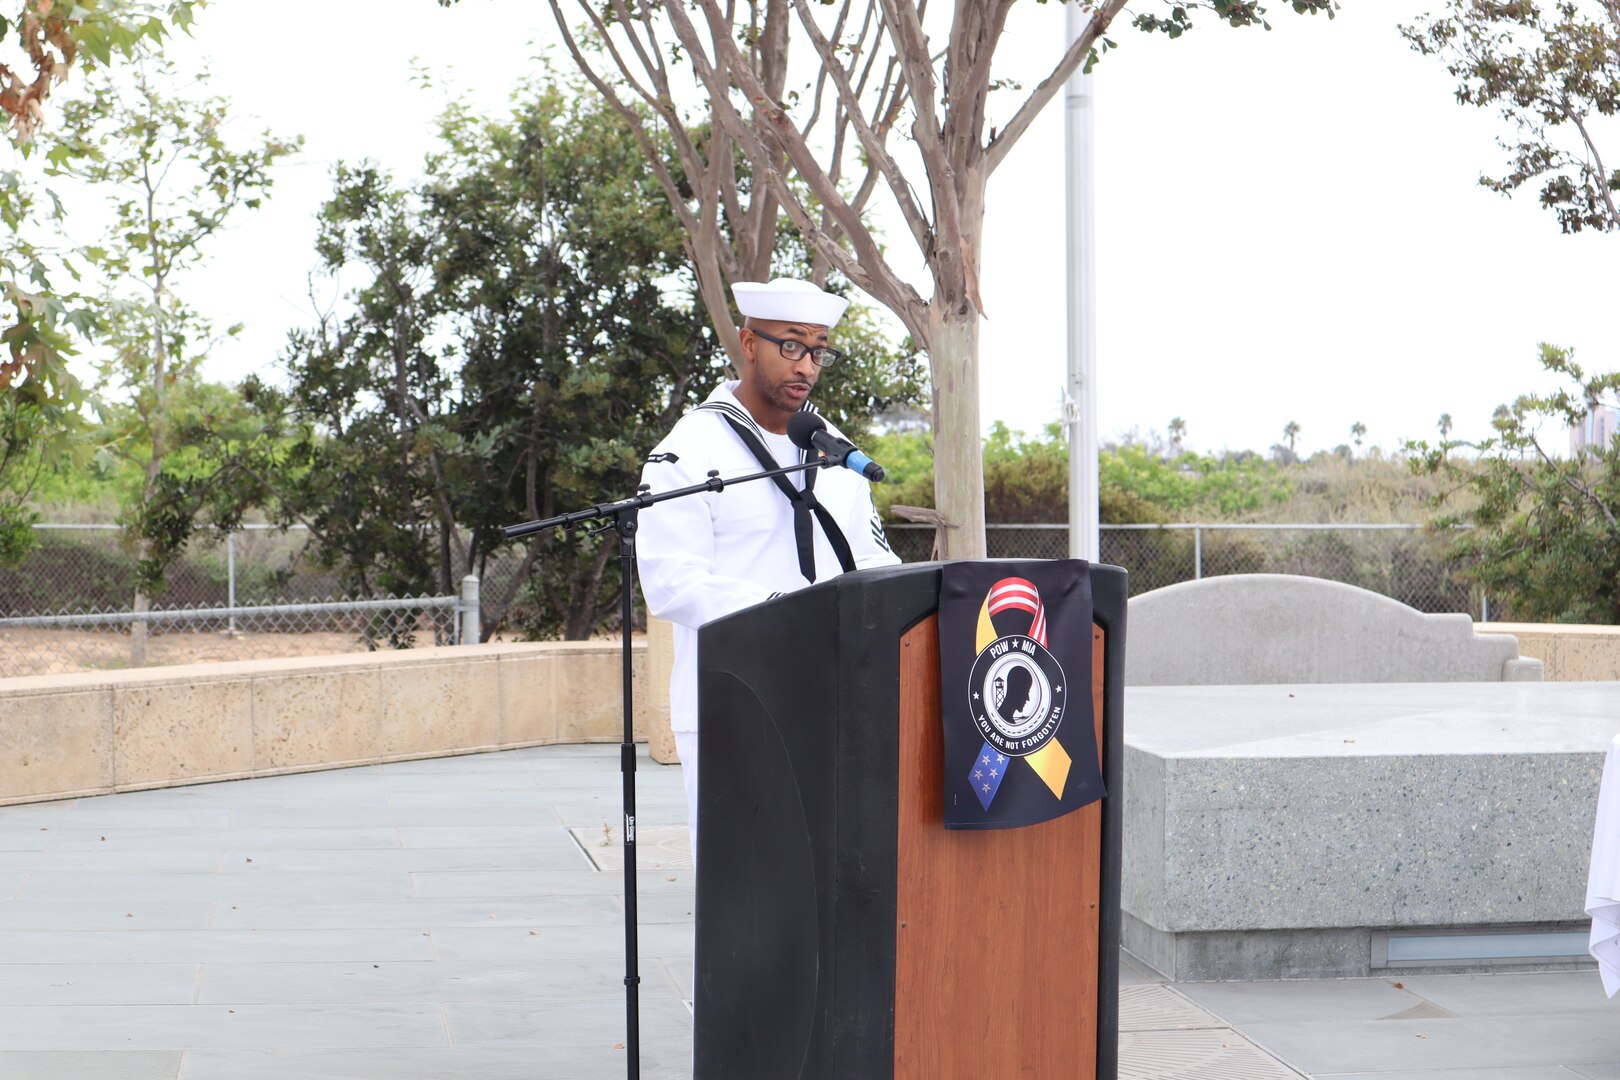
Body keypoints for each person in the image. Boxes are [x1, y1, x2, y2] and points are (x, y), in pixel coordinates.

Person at [636, 278, 901, 859]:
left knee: (831, 875)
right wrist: (790, 615)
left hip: (834, 696)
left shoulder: (834, 448)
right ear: (748, 342)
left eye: (819, 350)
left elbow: (874, 559)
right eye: (791, 346)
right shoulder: (692, 448)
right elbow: (671, 581)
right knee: (745, 887)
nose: (806, 365)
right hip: (736, 697)